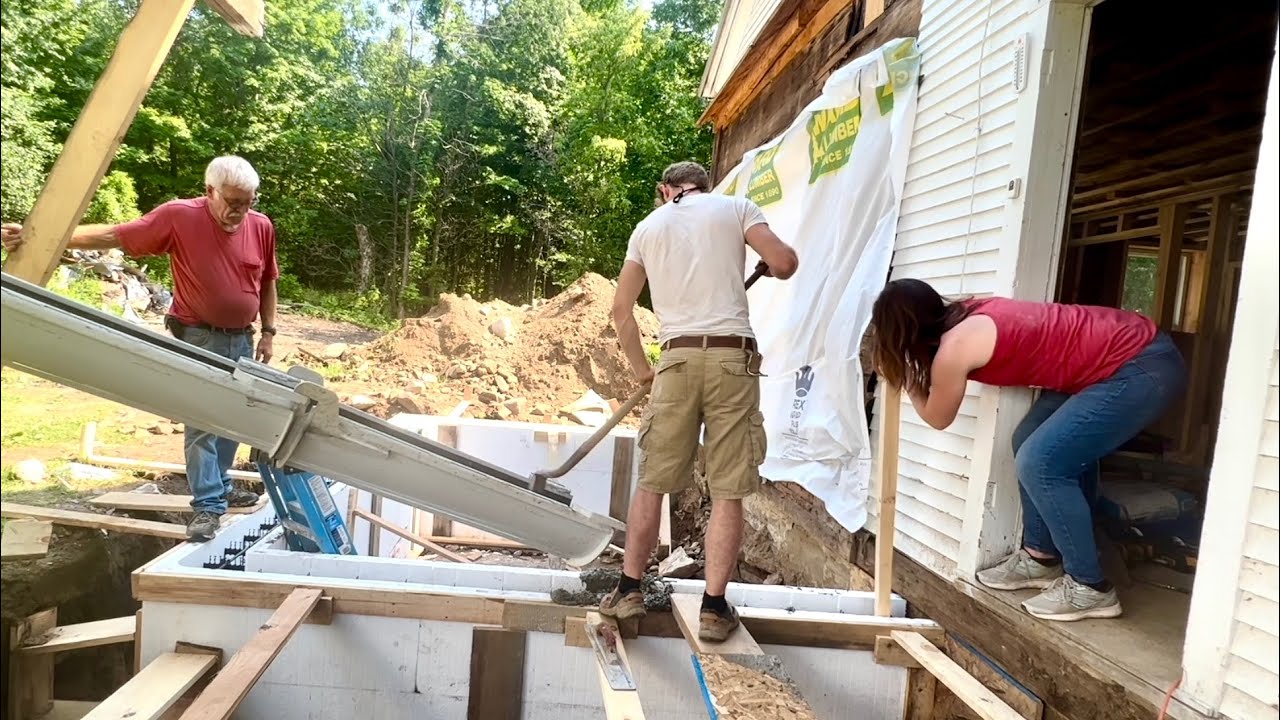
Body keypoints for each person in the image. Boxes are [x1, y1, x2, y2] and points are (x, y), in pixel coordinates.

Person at [868, 278, 1187, 621]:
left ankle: (1089, 587)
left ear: (902, 333)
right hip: (1119, 357)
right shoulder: (969, 310)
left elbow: (938, 416)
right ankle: (1040, 557)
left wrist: (904, 380)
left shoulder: (954, 349)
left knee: (1041, 462)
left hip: (1140, 367)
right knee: (1029, 440)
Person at [2, 155, 279, 542]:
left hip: (242, 338)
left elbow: (267, 280)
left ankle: (220, 484)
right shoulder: (180, 217)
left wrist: (268, 330)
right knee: (202, 419)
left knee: (234, 416)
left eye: (248, 201)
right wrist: (40, 234)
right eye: (233, 202)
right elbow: (115, 235)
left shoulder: (261, 225)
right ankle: (207, 505)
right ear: (209, 192)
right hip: (198, 335)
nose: (240, 211)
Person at [600, 161, 799, 641]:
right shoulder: (736, 208)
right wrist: (771, 265)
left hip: (677, 359)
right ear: (705, 187)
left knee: (653, 482)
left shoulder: (648, 227)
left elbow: (621, 311)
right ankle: (713, 608)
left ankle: (628, 590)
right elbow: (787, 262)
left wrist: (644, 371)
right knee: (729, 489)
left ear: (663, 189)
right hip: (733, 358)